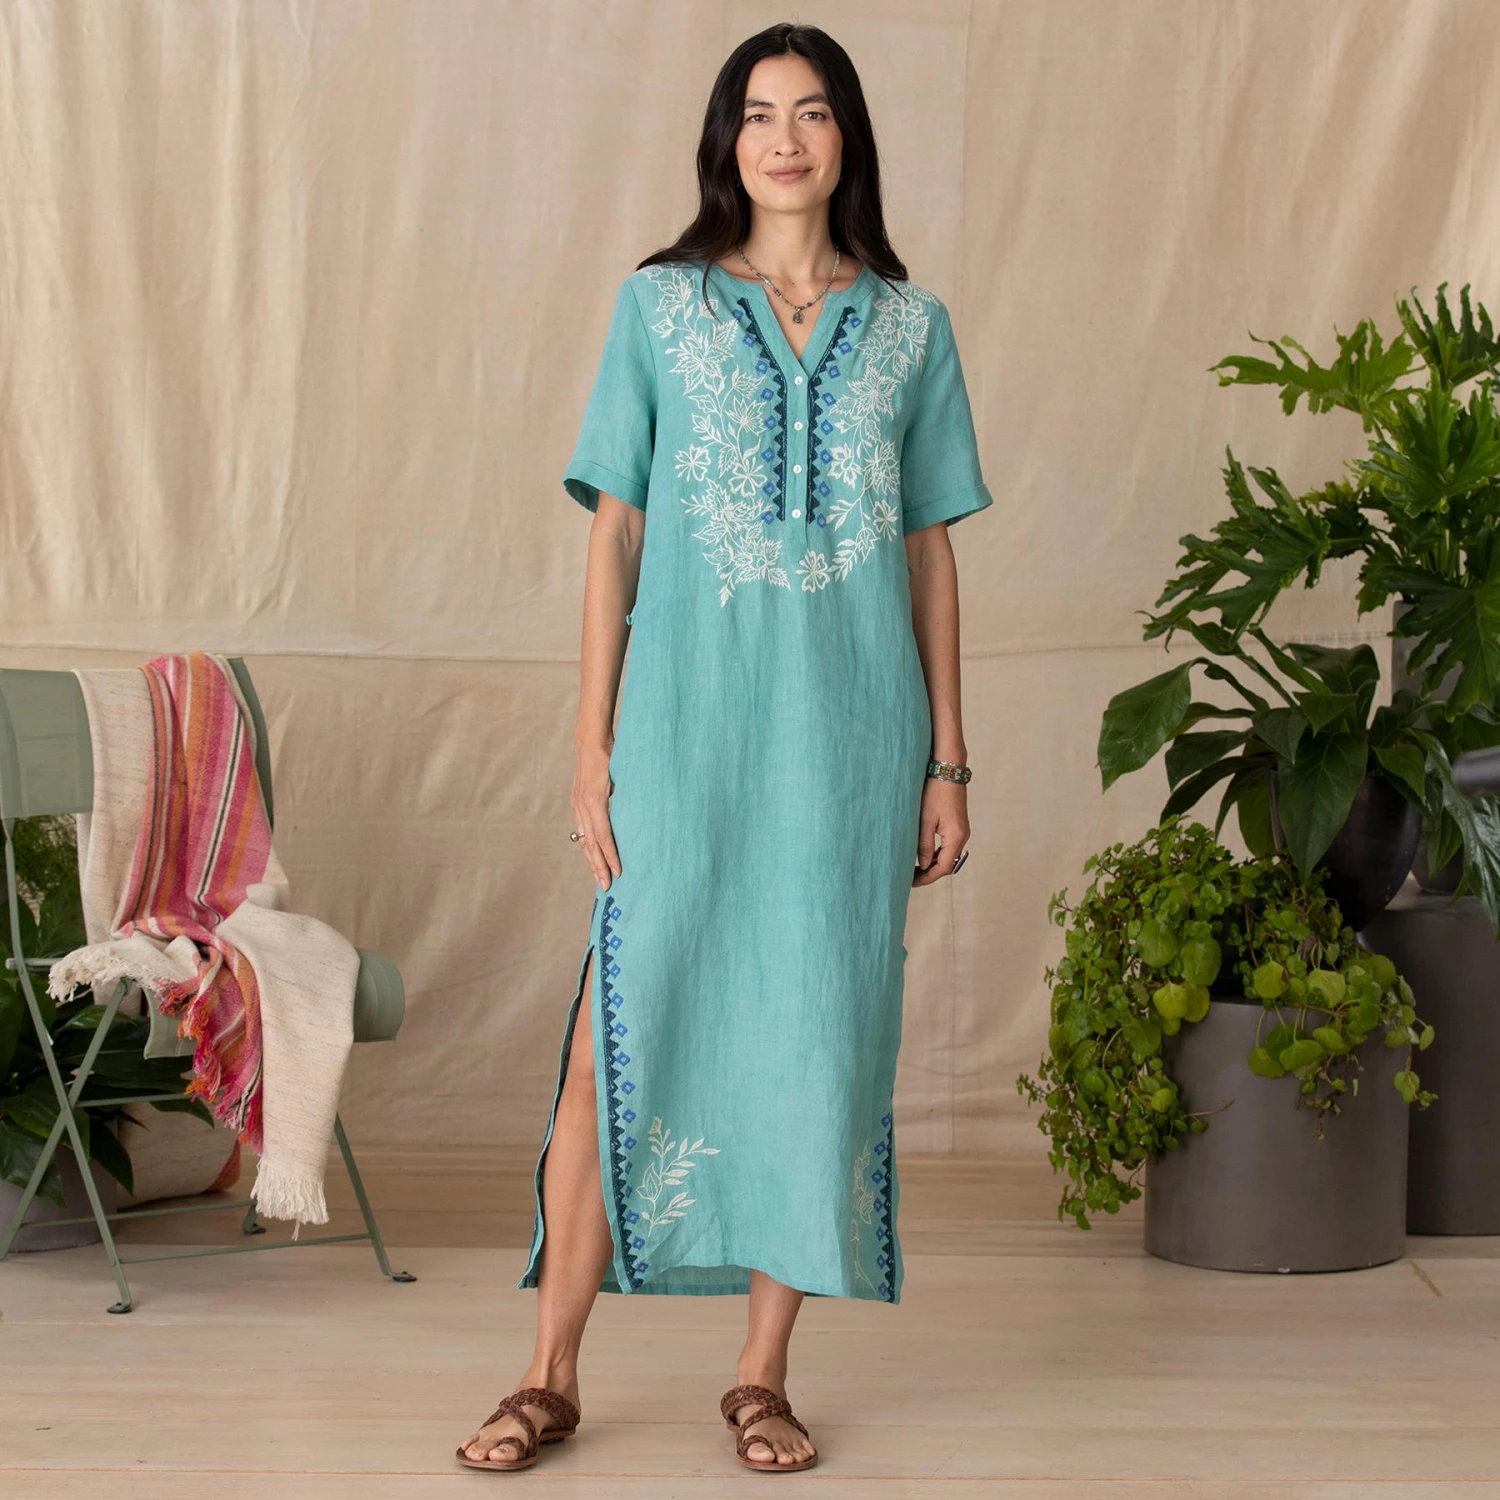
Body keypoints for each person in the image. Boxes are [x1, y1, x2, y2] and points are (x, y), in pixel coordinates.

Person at [458, 20, 992, 1476]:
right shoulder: (662, 306)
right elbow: (616, 531)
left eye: (812, 113)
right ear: (727, 140)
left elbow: (930, 550)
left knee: (815, 1043)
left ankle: (761, 1377)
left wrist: (947, 761)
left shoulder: (912, 328)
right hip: (684, 738)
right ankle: (549, 1374)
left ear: (846, 138)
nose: (784, 139)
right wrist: (592, 746)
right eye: (758, 114)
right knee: (612, 1046)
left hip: (851, 747)